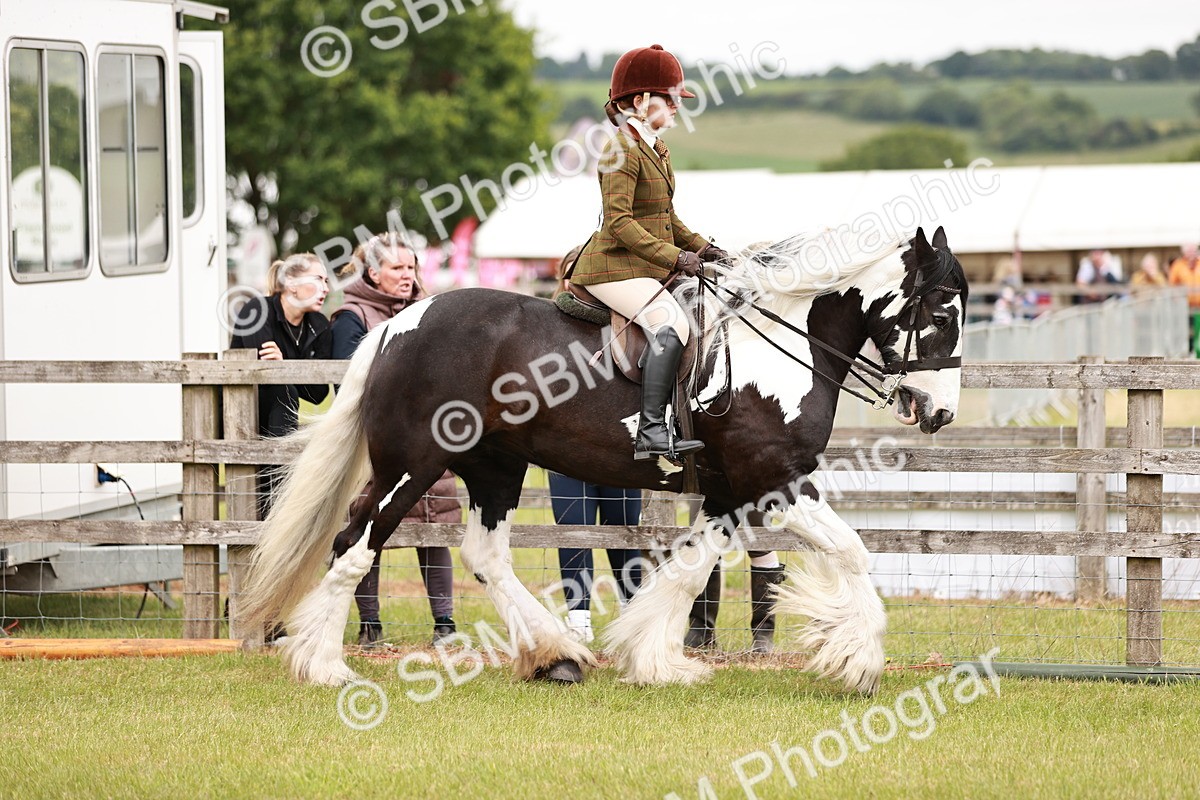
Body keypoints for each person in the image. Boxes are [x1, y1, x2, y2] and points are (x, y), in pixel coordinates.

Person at [569, 44, 729, 461]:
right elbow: (619, 222)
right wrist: (676, 258)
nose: (677, 108)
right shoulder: (618, 150)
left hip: (640, 264)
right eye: (670, 99)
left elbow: (666, 215)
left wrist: (704, 248)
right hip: (612, 267)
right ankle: (652, 431)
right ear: (640, 102)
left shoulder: (657, 148)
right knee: (671, 324)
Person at [331, 233, 460, 647]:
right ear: (373, 273)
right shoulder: (351, 316)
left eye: (411, 268)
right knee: (369, 524)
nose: (407, 276)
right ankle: (370, 625)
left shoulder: (430, 311)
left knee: (434, 524)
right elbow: (349, 380)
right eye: (397, 268)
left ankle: (445, 624)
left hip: (430, 439)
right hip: (378, 443)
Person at [230, 253, 332, 517]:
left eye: (327, 281)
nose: (326, 288)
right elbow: (266, 372)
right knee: (284, 391)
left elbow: (319, 392)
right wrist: (296, 370)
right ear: (291, 283)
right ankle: (276, 505)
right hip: (241, 415)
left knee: (287, 392)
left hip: (282, 421)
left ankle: (281, 503)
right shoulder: (256, 310)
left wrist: (285, 362)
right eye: (318, 279)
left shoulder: (320, 325)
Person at [550, 473, 644, 642]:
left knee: (624, 531)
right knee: (573, 531)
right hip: (566, 457)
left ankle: (632, 619)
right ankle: (579, 625)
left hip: (620, 458)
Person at [1168, 243, 1200, 356]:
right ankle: (1190, 351)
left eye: (1193, 250)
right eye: (1189, 250)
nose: (1192, 253)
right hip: (1185, 306)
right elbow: (1172, 284)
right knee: (1188, 330)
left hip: (1199, 305)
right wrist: (1176, 297)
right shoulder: (1178, 265)